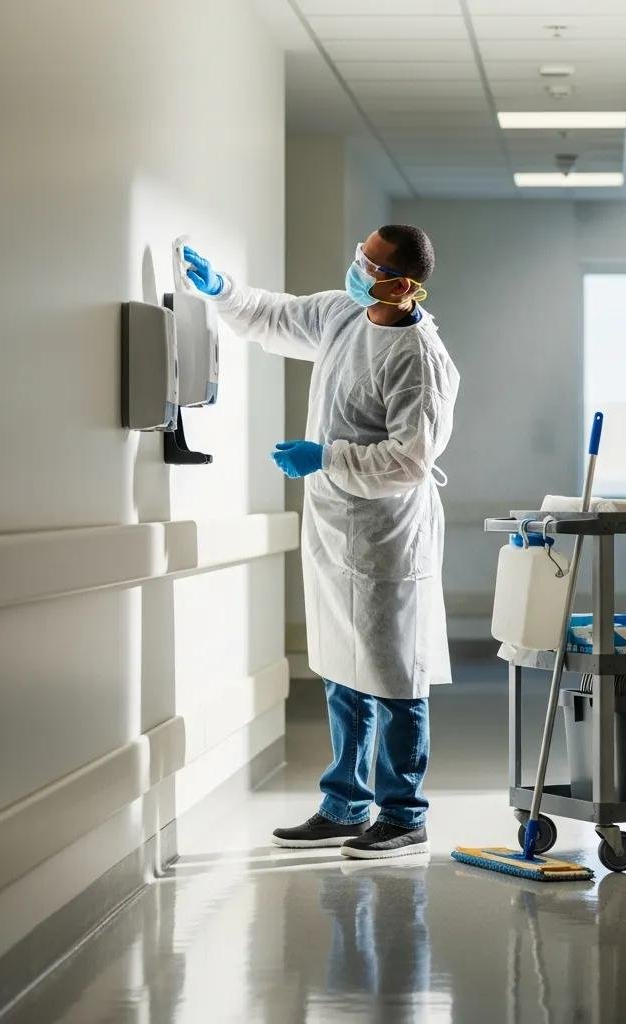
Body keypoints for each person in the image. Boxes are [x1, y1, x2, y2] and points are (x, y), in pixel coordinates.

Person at [180, 225, 458, 859]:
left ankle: (403, 812)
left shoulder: (420, 358)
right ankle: (343, 804)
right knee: (341, 662)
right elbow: (272, 316)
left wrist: (325, 455)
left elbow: (409, 460)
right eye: (358, 252)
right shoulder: (342, 314)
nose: (356, 265)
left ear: (402, 282)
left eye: (370, 262)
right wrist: (223, 289)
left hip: (389, 537)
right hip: (334, 528)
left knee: (392, 673)